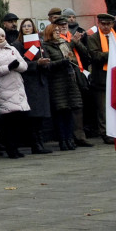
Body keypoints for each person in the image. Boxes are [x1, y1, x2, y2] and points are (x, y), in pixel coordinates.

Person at [0, 25, 29, 158]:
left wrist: (17, 66)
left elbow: (24, 65)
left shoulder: (12, 48)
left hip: (17, 86)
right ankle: (10, 148)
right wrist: (8, 67)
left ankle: (15, 147)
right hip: (3, 88)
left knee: (18, 120)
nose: (0, 38)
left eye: (2, 35)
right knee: (9, 121)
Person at [41, 21, 82, 151]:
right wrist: (62, 62)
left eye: (59, 31)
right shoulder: (46, 46)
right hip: (57, 83)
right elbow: (48, 64)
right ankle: (62, 140)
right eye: (55, 31)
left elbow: (73, 59)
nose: (58, 33)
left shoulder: (64, 44)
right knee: (60, 113)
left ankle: (70, 139)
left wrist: (70, 59)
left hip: (69, 81)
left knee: (69, 111)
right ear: (49, 33)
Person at [55, 12, 93, 147]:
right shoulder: (56, 39)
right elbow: (67, 56)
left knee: (78, 105)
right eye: (60, 25)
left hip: (79, 73)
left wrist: (76, 41)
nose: (63, 27)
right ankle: (71, 137)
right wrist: (72, 43)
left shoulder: (71, 36)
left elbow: (85, 53)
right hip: (65, 76)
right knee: (68, 107)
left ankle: (80, 135)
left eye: (65, 24)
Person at [17, 17, 53, 154]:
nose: (27, 28)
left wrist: (45, 62)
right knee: (33, 116)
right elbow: (22, 63)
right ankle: (35, 144)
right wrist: (36, 64)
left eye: (29, 26)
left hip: (41, 82)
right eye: (24, 26)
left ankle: (40, 142)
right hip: (29, 83)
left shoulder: (39, 43)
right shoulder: (18, 45)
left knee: (41, 116)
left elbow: (46, 59)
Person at [85, 13, 115, 144]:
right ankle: (105, 133)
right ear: (99, 24)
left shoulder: (114, 36)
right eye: (103, 24)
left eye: (108, 24)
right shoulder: (94, 38)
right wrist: (113, 53)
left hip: (114, 77)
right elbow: (96, 56)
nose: (106, 27)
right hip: (101, 79)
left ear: (112, 24)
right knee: (103, 109)